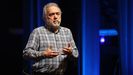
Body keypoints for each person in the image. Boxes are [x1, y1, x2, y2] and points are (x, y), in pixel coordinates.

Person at [23, 2, 79, 75]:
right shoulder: (37, 32)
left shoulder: (67, 32)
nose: (55, 17)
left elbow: (76, 54)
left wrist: (71, 53)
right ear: (45, 18)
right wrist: (43, 54)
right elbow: (26, 53)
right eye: (51, 14)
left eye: (57, 14)